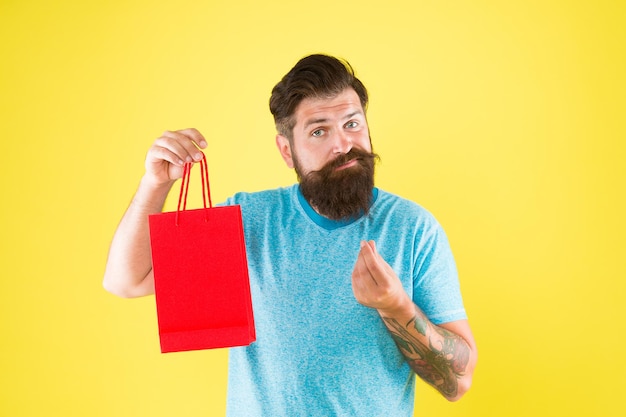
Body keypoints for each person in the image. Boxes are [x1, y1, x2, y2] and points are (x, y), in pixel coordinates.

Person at [103, 54, 477, 416]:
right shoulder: (247, 221)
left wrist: (396, 306)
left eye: (352, 123)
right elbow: (127, 280)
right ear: (287, 151)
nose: (343, 145)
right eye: (319, 131)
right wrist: (154, 185)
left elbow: (457, 383)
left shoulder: (414, 229)